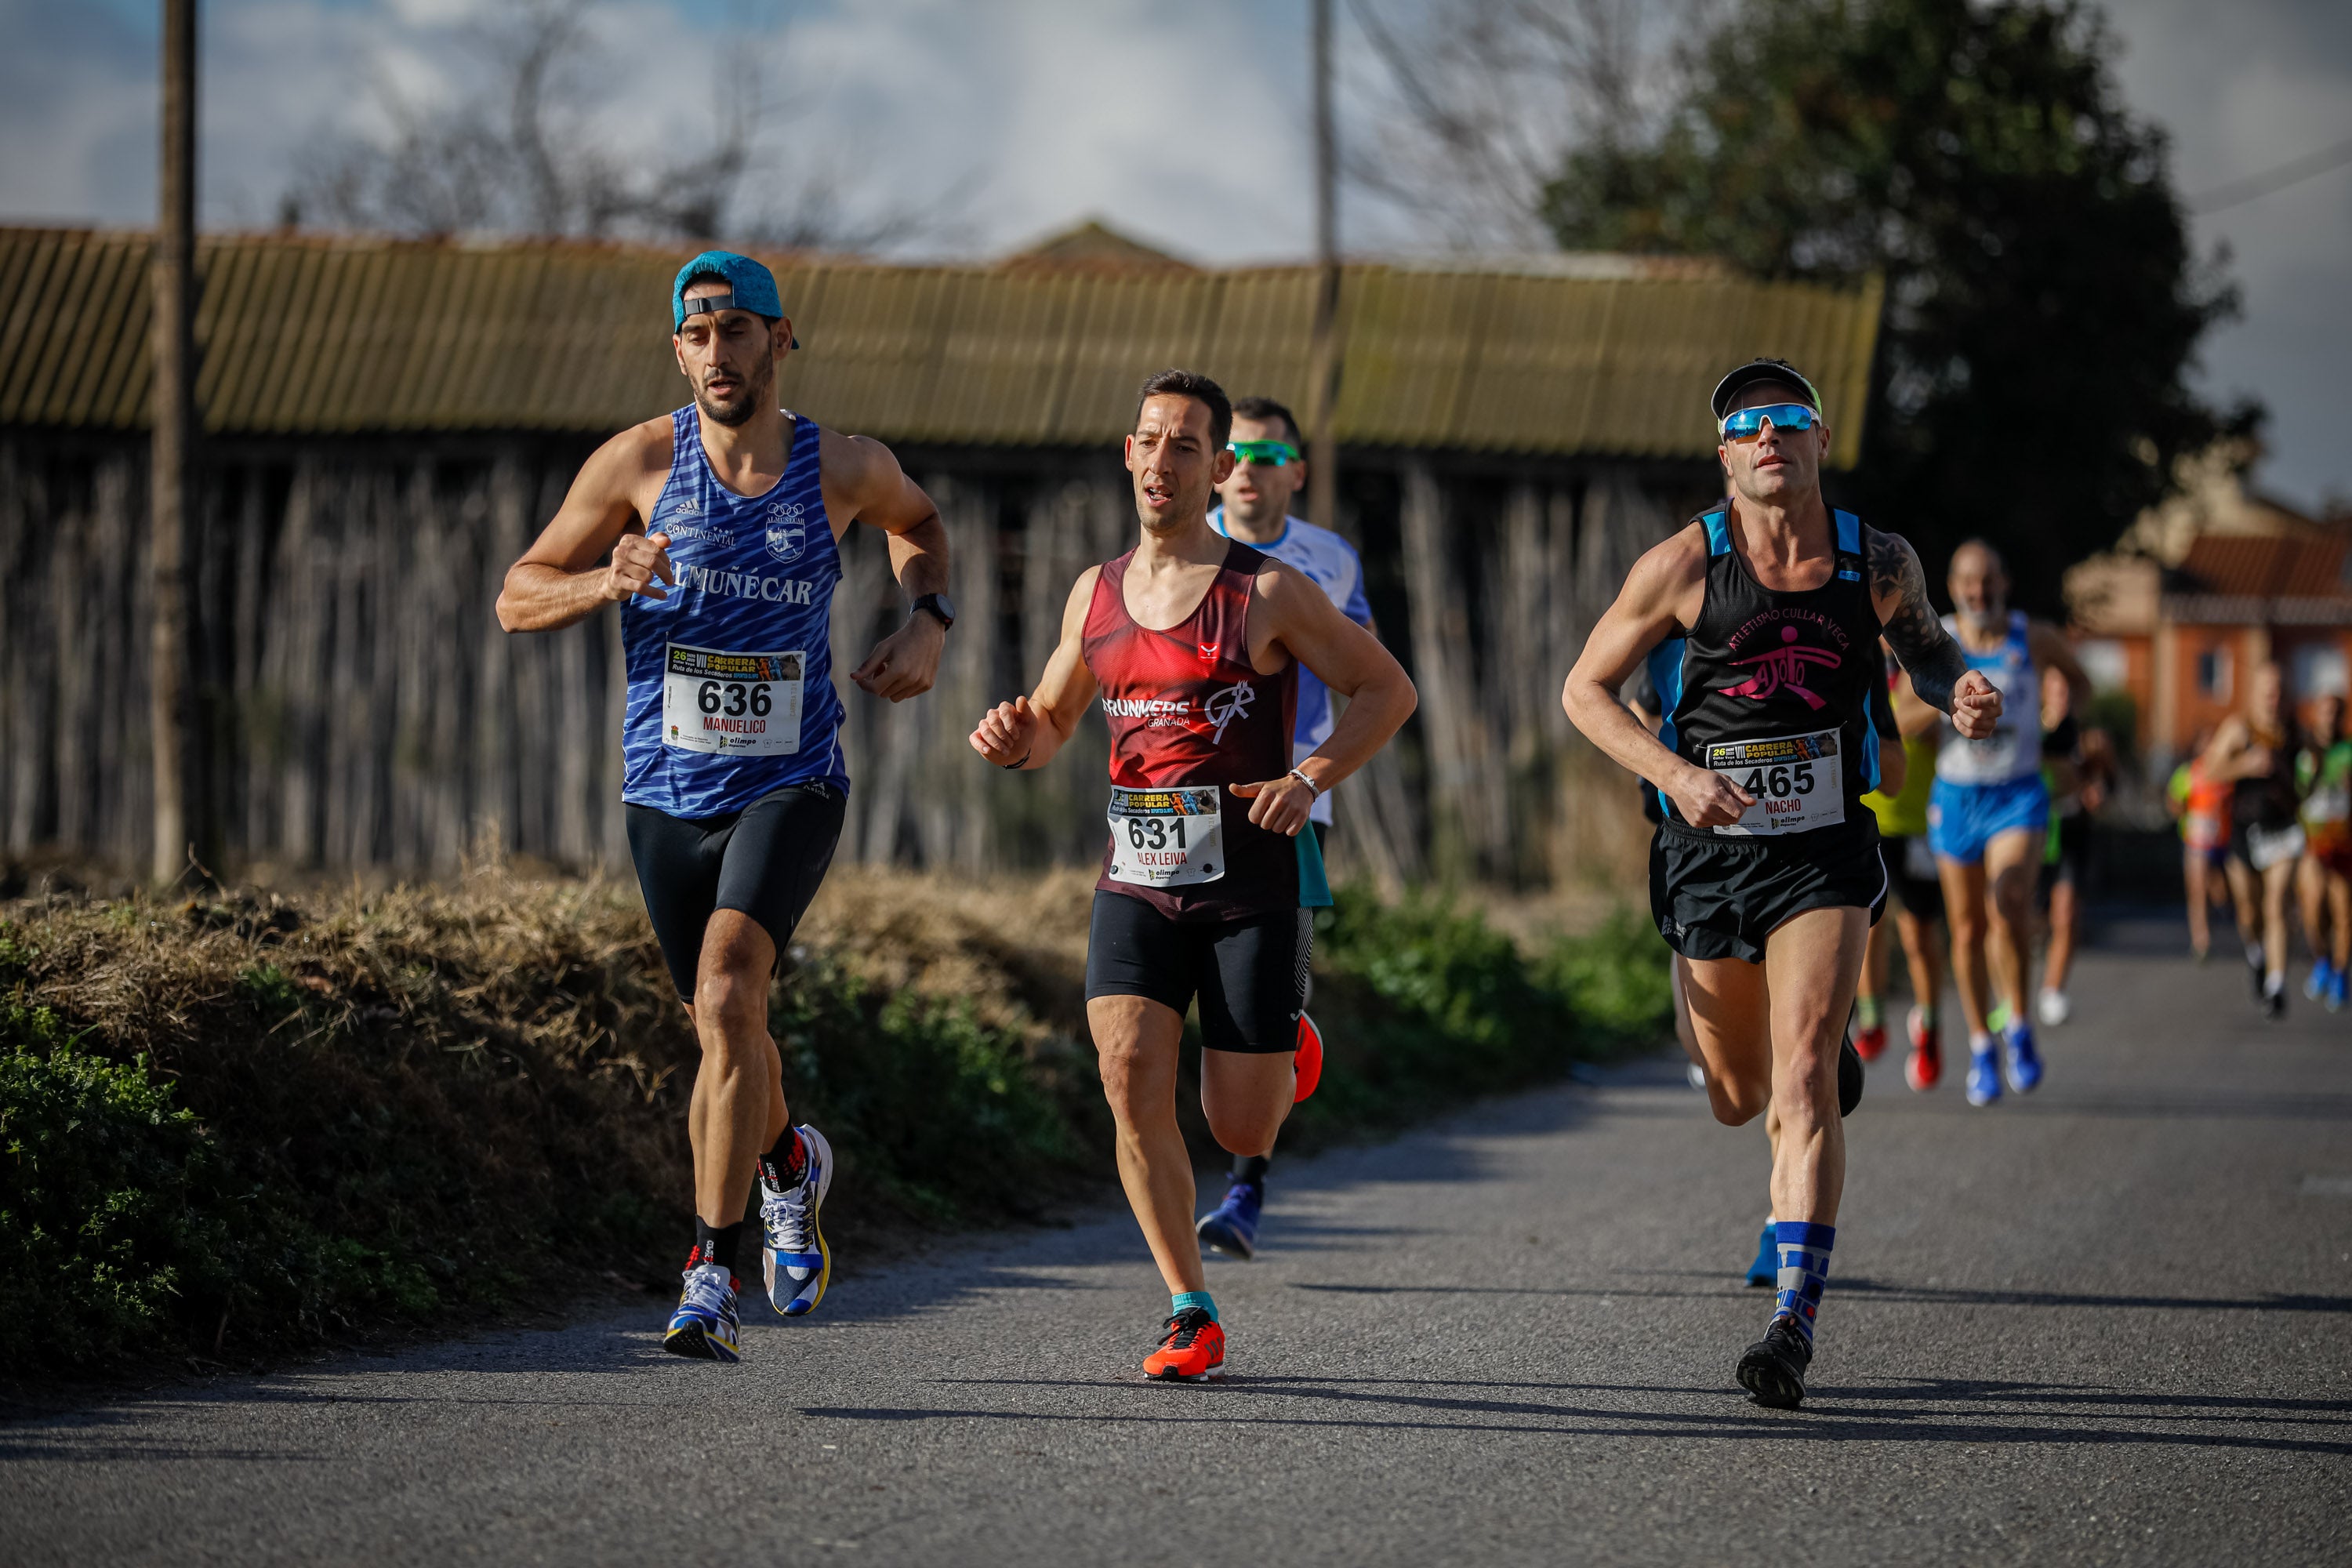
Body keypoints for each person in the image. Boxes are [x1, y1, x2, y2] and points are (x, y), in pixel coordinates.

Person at [495, 252, 955, 1362]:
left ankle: (709, 1272)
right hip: (665, 793)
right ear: (678, 351)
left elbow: (923, 524)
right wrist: (606, 580)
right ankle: (791, 1160)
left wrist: (928, 621)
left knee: (729, 986)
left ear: (779, 340)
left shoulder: (840, 465)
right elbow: (515, 595)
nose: (717, 353)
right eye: (697, 336)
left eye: (737, 330)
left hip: (792, 779)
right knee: (722, 1024)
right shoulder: (639, 462)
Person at [1561, 357, 2000, 1408]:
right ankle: (1778, 1037)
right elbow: (1584, 690)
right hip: (1706, 853)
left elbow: (1930, 653)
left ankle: (1793, 1320)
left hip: (1823, 850)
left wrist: (1963, 691)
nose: (1770, 436)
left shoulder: (1876, 559)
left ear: (1820, 442)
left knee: (1802, 1080)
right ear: (1725, 456)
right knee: (1737, 1095)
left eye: (1790, 419)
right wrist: (1676, 776)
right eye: (1748, 425)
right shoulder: (1681, 565)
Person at [969, 369, 1415, 1381]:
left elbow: (1386, 690)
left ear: (1216, 469)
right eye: (1150, 439)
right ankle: (1189, 1307)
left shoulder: (1266, 591)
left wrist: (1310, 776)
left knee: (1238, 1123)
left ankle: (1286, 1038)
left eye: (1186, 445)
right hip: (1134, 879)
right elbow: (1052, 721)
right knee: (1128, 1076)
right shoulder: (1094, 592)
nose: (1162, 459)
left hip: (1251, 882)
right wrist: (1013, 737)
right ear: (1127, 454)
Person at [1192, 394, 1377, 1262]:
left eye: (1268, 456)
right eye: (1235, 453)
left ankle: (1244, 1189)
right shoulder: (1184, 543)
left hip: (1292, 800)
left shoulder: (1329, 561)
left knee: (1264, 996)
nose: (1249, 469)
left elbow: (1364, 668)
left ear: (1296, 472)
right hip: (1188, 798)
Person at [1928, 541, 2089, 1108]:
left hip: (2017, 794)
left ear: (2005, 583)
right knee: (1966, 929)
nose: (1980, 592)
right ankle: (1980, 1045)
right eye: (1969, 583)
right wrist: (1944, 702)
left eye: (1989, 580)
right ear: (1953, 588)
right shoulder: (1936, 640)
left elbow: (2079, 682)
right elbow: (1899, 709)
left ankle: (2018, 1024)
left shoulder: (2033, 636)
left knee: (2011, 900)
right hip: (1956, 796)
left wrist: (2059, 722)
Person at [1858, 652, 1951, 1094]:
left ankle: (1929, 1030)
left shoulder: (1927, 671)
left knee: (1919, 935)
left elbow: (1927, 723)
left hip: (1917, 827)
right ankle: (1872, 1020)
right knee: (1866, 928)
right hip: (1869, 820)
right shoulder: (1857, 662)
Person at [2209, 663, 2306, 1019]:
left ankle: (2277, 985)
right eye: (2267, 691)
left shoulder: (2295, 732)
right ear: (2254, 694)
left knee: (2277, 904)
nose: (2273, 698)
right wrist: (2245, 765)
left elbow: (2310, 775)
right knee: (2249, 912)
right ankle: (2257, 954)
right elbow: (2209, 770)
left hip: (2284, 830)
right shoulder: (2239, 729)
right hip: (2245, 831)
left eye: (2278, 691)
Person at [2034, 661, 2114, 1025]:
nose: (2062, 697)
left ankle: (2053, 990)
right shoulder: (2030, 732)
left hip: (2072, 832)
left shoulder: (2089, 739)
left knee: (2066, 915)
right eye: (2056, 689)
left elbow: (2108, 782)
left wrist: (2099, 791)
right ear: (2043, 692)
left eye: (2068, 690)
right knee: (2027, 918)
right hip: (2032, 831)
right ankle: (2011, 991)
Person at [2296, 693, 2352, 1011]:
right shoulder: (2305, 754)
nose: (2330, 719)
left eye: (2335, 713)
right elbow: (2295, 796)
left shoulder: (2349, 751)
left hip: (2344, 844)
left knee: (2343, 912)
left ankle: (2341, 973)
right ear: (2316, 715)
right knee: (2313, 906)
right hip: (2314, 844)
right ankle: (2322, 960)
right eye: (2325, 712)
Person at [2168, 727, 2231, 961]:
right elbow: (2173, 802)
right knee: (2197, 890)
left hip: (2222, 841)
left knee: (2219, 891)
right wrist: (2183, 810)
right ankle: (2201, 940)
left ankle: (2219, 914)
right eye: (2205, 743)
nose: (2209, 748)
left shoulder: (2226, 773)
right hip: (2196, 840)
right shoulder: (2189, 773)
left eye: (2213, 743)